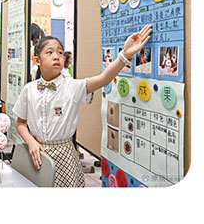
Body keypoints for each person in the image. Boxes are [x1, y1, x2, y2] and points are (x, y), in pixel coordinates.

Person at [15, 25, 152, 187]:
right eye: (49, 52)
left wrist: (125, 54)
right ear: (37, 60)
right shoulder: (29, 89)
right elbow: (20, 123)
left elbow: (103, 79)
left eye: (60, 52)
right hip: (36, 153)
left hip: (64, 156)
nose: (56, 56)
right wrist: (30, 141)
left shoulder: (71, 86)